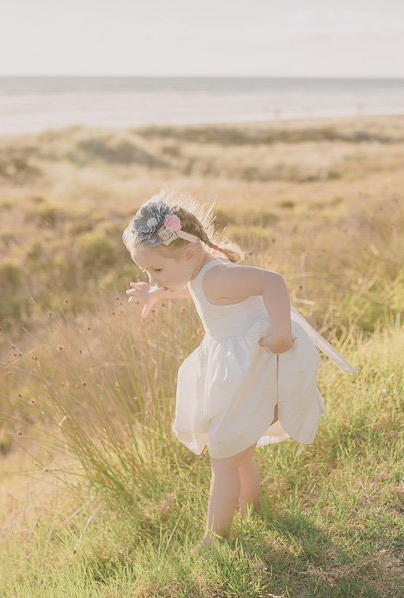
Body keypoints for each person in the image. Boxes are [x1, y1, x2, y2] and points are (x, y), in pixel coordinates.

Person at [123, 189, 357, 548]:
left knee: (224, 459)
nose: (154, 278)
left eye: (157, 271)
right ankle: (255, 511)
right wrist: (158, 294)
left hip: (253, 371)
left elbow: (272, 282)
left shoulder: (217, 276)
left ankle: (215, 539)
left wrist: (282, 334)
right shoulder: (199, 274)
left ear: (188, 254)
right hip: (238, 372)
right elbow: (194, 290)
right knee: (238, 453)